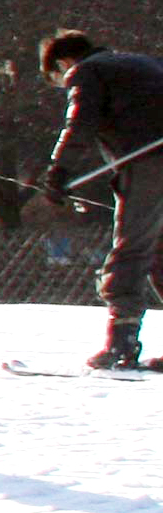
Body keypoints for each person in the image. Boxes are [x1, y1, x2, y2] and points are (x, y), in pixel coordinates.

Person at [39, 29, 163, 368]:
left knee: (133, 249)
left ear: (63, 63)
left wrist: (59, 171)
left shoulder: (87, 72)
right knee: (159, 253)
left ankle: (121, 344)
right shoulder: (146, 63)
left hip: (150, 161)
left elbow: (80, 124)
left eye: (57, 78)